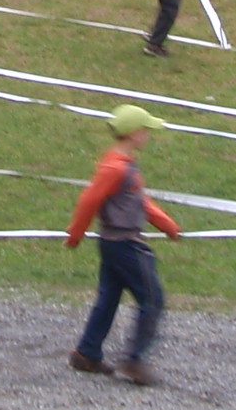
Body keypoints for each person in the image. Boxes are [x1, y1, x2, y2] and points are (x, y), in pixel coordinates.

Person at [65, 102, 184, 385]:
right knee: (152, 299)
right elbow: (90, 200)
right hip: (126, 245)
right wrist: (76, 233)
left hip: (113, 244)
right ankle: (134, 360)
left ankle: (87, 352)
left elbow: (139, 202)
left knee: (108, 298)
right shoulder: (116, 169)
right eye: (146, 131)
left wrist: (167, 225)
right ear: (134, 133)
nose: (148, 136)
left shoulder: (123, 166)